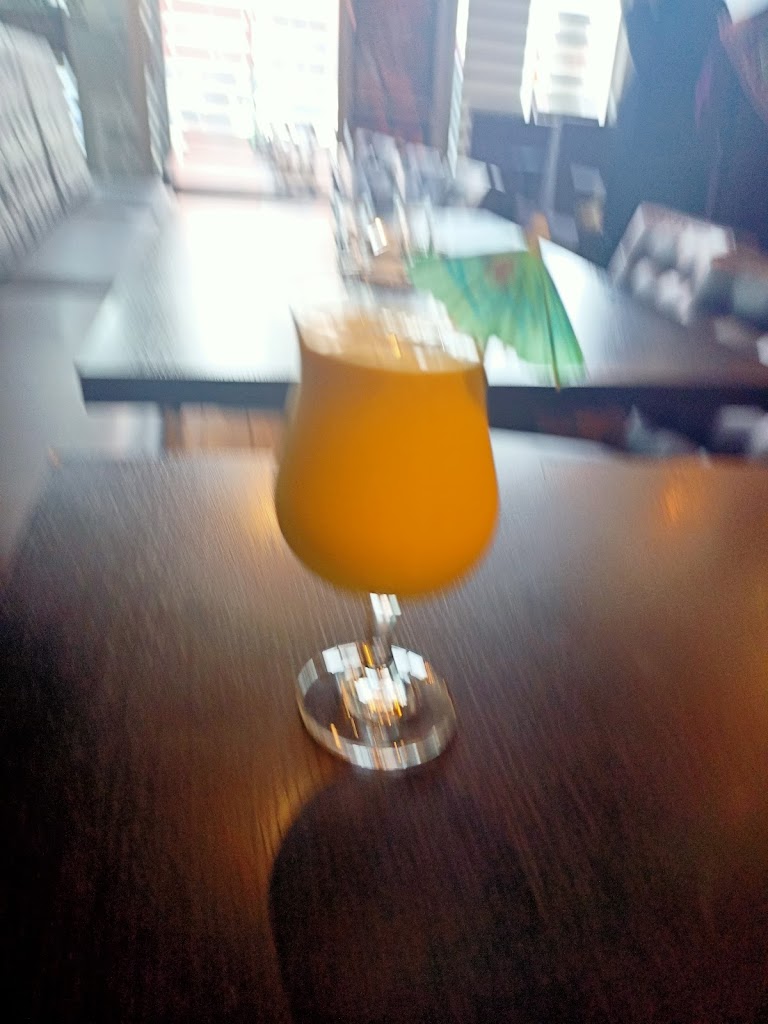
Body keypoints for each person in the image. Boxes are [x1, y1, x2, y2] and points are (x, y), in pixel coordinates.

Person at [602, 0, 730, 261]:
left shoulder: (690, 16)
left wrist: (635, 10)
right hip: (665, 141)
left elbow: (652, 57)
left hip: (664, 145)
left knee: (640, 246)